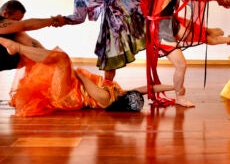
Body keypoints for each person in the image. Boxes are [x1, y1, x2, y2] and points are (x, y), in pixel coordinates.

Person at [0, 37, 174, 117]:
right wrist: (174, 87)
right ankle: (18, 41)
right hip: (71, 88)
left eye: (132, 94)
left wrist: (74, 72)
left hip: (68, 96)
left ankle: (17, 47)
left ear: (126, 100)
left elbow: (86, 84)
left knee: (61, 59)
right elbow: (148, 88)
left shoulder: (107, 99)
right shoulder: (118, 93)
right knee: (47, 57)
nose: (132, 92)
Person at [63, 0, 146, 82]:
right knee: (109, 63)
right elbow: (79, 17)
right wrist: (62, 20)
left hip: (129, 17)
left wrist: (141, 8)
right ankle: (108, 93)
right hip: (112, 26)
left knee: (156, 31)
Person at [0, 0, 64, 71]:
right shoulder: (2, 23)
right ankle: (16, 47)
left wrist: (51, 60)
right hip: (7, 59)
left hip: (11, 59)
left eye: (19, 20)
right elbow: (25, 25)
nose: (17, 23)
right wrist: (54, 20)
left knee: (59, 58)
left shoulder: (14, 32)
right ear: (5, 14)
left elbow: (30, 41)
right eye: (15, 20)